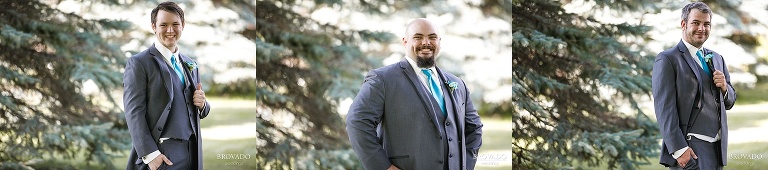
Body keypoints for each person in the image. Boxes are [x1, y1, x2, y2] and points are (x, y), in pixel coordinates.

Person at [345, 18, 483, 170]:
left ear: (439, 41)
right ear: (405, 41)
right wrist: (384, 167)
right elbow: (357, 122)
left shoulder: (457, 83)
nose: (426, 42)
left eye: (432, 37)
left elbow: (474, 128)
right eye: (418, 37)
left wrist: (466, 164)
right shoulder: (383, 79)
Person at [123, 2, 210, 170]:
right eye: (164, 25)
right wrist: (151, 155)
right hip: (161, 154)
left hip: (192, 153)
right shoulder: (139, 63)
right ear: (154, 27)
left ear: (183, 26)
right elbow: (134, 112)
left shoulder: (190, 64)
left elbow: (196, 108)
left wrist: (203, 104)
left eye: (175, 24)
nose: (170, 30)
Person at [652, 2, 736, 170]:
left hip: (716, 149)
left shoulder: (717, 58)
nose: (701, 28)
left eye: (706, 24)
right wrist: (679, 149)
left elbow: (730, 101)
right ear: (683, 24)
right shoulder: (668, 59)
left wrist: (725, 87)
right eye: (696, 23)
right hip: (690, 150)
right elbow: (664, 108)